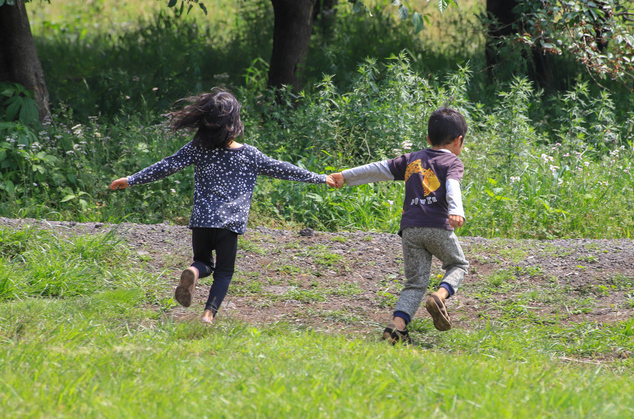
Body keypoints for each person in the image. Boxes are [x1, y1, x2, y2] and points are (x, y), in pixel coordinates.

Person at [110, 88, 336, 324]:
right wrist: (318, 177)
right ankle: (208, 315)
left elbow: (167, 165)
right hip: (229, 224)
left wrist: (131, 179)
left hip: (202, 221)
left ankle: (194, 272)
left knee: (203, 262)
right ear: (234, 122)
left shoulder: (197, 148)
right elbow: (284, 169)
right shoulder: (250, 155)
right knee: (224, 272)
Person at [328, 106, 470, 344]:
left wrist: (346, 175)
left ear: (427, 139)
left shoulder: (411, 159)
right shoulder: (452, 162)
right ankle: (440, 296)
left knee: (415, 283)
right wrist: (456, 211)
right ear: (459, 140)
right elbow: (452, 185)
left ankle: (397, 328)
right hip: (437, 225)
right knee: (458, 264)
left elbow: (379, 168)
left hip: (411, 229)